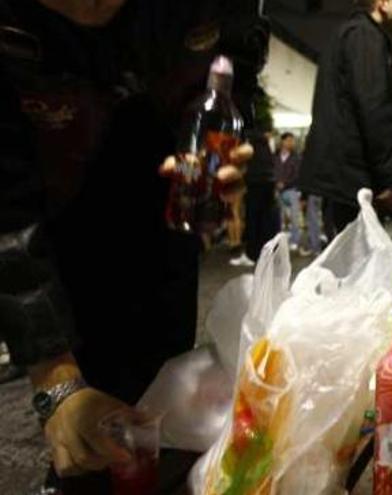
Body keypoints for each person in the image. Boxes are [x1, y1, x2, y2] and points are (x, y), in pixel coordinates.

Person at [0, 1, 267, 491]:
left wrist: (216, 137)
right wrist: (55, 381)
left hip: (160, 213)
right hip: (55, 215)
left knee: (152, 413)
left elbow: (237, 60)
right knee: (83, 436)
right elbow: (6, 214)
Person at [299, 0, 392, 240]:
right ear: (381, 3)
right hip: (351, 174)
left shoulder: (350, 32)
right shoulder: (365, 36)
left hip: (343, 171)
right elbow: (373, 108)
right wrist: (389, 178)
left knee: (347, 259)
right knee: (357, 262)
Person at [234, 124, 280, 267]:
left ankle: (251, 254)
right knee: (265, 219)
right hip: (267, 183)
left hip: (255, 184)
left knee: (252, 219)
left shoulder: (251, 144)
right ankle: (266, 253)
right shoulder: (265, 146)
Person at [274, 132, 311, 255]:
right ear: (283, 141)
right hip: (277, 190)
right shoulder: (275, 156)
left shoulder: (296, 157)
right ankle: (279, 241)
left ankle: (295, 240)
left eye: (292, 140)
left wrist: (284, 183)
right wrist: (276, 183)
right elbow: (273, 171)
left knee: (295, 217)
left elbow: (297, 175)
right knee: (278, 217)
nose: (291, 143)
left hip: (291, 189)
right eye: (289, 140)